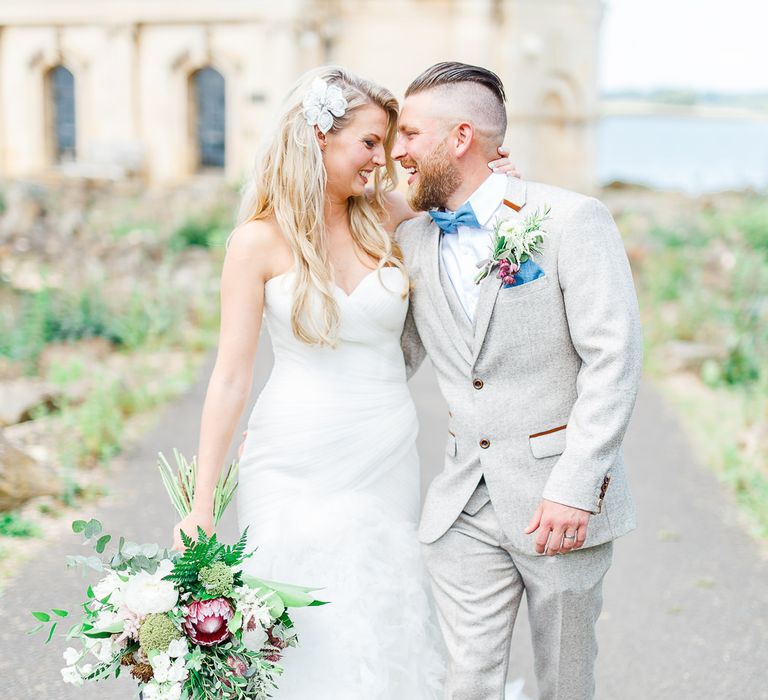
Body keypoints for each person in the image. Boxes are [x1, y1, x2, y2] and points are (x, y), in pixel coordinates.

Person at [171, 65, 518, 699]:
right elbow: (229, 378)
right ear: (317, 138)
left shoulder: (393, 219)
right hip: (290, 455)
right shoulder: (256, 243)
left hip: (384, 450)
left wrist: (500, 197)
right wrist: (200, 506)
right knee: (296, 622)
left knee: (379, 614)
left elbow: (474, 246)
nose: (382, 160)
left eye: (388, 144)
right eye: (368, 142)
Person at [393, 62, 643, 700]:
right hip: (462, 504)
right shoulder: (413, 239)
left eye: (411, 134)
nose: (399, 151)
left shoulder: (569, 220)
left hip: (557, 504)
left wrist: (576, 486)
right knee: (466, 680)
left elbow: (612, 358)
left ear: (460, 138)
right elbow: (393, 358)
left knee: (564, 679)